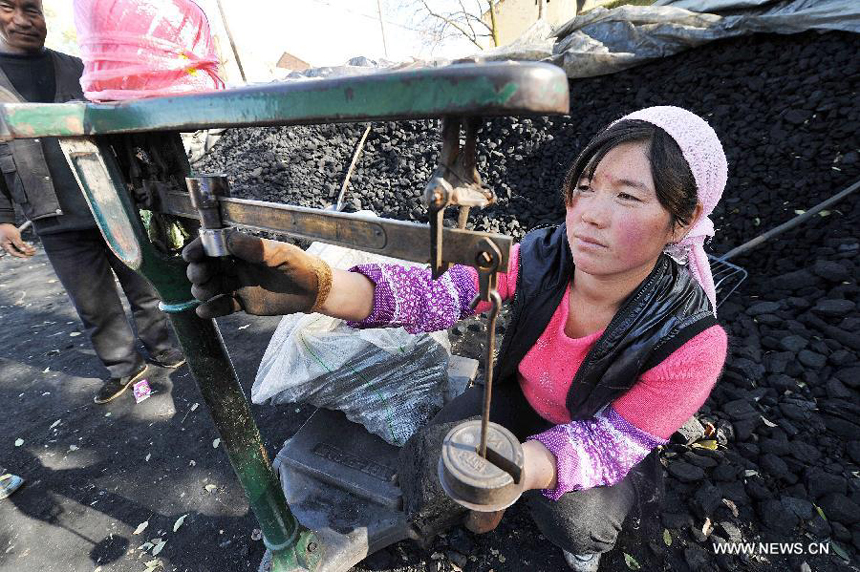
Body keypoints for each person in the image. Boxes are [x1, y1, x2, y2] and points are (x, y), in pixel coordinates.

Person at [182, 106, 729, 571]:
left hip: (595, 427)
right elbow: (438, 293)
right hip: (519, 397)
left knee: (575, 518)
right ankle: (480, 506)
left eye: (628, 197)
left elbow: (612, 443)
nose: (589, 215)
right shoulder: (542, 257)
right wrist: (321, 289)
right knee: (437, 446)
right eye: (584, 188)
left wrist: (520, 468)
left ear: (683, 220)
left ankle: (576, 547)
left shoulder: (691, 342)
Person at [0, 0, 185, 404]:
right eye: (7, 8)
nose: (21, 20)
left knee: (145, 285)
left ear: (44, 14)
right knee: (93, 305)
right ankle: (123, 366)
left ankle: (163, 346)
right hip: (56, 220)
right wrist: (4, 218)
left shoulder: (82, 69)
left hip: (114, 205)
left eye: (31, 10)